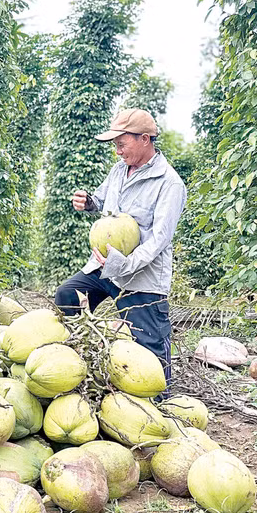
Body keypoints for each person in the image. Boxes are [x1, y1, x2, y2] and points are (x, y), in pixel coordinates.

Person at [54, 109, 186, 382]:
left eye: (121, 144)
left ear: (145, 139)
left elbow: (159, 240)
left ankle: (161, 398)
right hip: (105, 269)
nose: (117, 151)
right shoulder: (119, 170)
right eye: (115, 145)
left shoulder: (169, 183)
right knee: (68, 296)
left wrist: (123, 264)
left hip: (141, 276)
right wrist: (89, 202)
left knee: (149, 346)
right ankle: (77, 365)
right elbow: (102, 200)